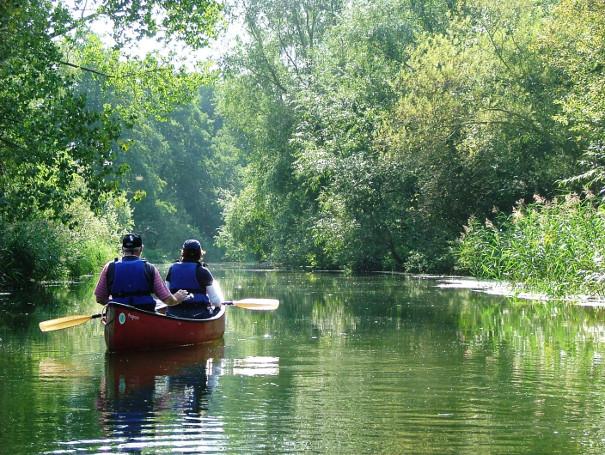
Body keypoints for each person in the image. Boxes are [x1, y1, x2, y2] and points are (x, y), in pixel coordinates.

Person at [94, 233, 190, 311]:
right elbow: (168, 300)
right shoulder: (149, 268)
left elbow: (100, 298)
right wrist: (177, 298)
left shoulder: (109, 267)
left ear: (123, 249)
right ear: (141, 249)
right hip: (145, 314)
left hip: (119, 314)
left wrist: (116, 305)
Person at [164, 239, 223, 319]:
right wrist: (218, 306)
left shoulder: (172, 269)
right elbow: (215, 301)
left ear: (183, 253)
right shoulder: (203, 271)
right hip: (199, 316)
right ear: (199, 253)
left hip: (173, 314)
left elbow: (165, 294)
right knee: (218, 308)